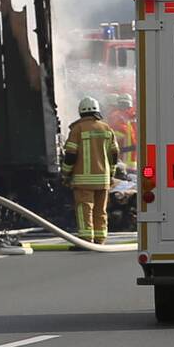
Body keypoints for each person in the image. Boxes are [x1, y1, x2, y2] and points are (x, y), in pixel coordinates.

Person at [62, 97, 120, 244]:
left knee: (84, 209)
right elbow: (114, 154)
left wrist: (65, 173)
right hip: (104, 179)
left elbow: (70, 155)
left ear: (81, 111)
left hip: (83, 180)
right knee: (101, 210)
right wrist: (111, 173)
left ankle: (86, 238)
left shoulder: (77, 129)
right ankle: (100, 239)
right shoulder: (107, 129)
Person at [107, 93, 137, 172]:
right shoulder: (133, 115)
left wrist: (108, 141)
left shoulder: (117, 115)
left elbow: (121, 132)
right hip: (132, 158)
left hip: (123, 158)